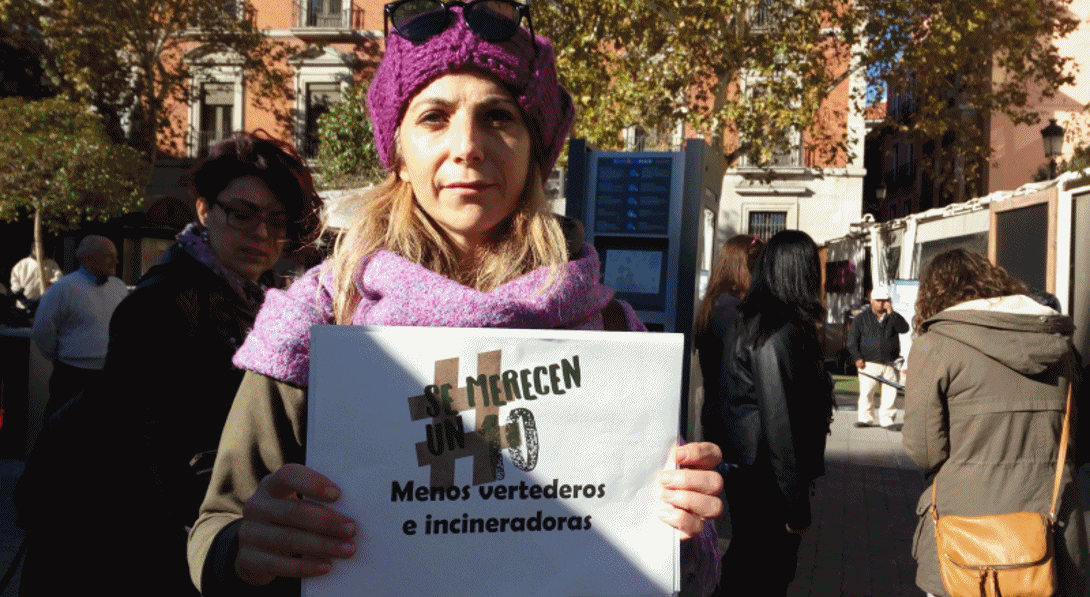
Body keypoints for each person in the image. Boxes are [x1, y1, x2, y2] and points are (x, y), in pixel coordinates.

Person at [187, 3, 723, 595]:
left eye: (498, 117)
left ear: (535, 152)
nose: (467, 146)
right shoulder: (319, 318)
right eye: (434, 117)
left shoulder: (611, 328)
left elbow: (674, 564)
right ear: (399, 154)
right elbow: (216, 528)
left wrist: (681, 530)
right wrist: (246, 549)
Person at [14, 132, 322, 597]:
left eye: (276, 220)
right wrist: (209, 548)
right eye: (242, 214)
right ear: (205, 211)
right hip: (133, 545)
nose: (261, 234)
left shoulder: (260, 299)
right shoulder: (161, 303)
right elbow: (147, 458)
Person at [902, 248, 1087, 597]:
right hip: (1051, 526)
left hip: (965, 531)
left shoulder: (936, 346)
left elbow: (924, 449)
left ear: (931, 295)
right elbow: (1075, 436)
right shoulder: (1059, 345)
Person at [720, 229, 834, 597]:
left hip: (753, 471)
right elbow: (780, 422)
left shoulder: (758, 319)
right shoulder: (776, 330)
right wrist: (796, 506)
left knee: (749, 566)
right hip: (767, 480)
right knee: (765, 573)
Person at [694, 233, 763, 597]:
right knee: (748, 533)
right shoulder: (735, 312)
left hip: (718, 421)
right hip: (736, 428)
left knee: (738, 527)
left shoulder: (714, 306)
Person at [29, 234, 127, 418]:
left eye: (115, 256)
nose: (116, 261)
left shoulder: (119, 287)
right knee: (64, 426)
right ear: (88, 259)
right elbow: (42, 330)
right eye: (109, 256)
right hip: (72, 375)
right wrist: (61, 356)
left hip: (110, 373)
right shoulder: (63, 288)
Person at [847, 286, 909, 428]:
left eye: (884, 300)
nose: (881, 303)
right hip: (868, 362)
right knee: (867, 392)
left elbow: (904, 329)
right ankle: (865, 419)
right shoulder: (861, 318)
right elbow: (852, 339)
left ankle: (887, 420)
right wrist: (857, 357)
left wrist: (891, 312)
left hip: (890, 363)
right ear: (871, 301)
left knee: (890, 393)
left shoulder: (893, 317)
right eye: (878, 300)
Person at [9, 246, 62, 310]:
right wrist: (21, 296)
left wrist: (49, 283)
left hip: (44, 304)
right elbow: (14, 280)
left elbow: (59, 278)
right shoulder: (22, 264)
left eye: (41, 249)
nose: (39, 252)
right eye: (36, 249)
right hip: (24, 306)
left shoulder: (51, 263)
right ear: (33, 250)